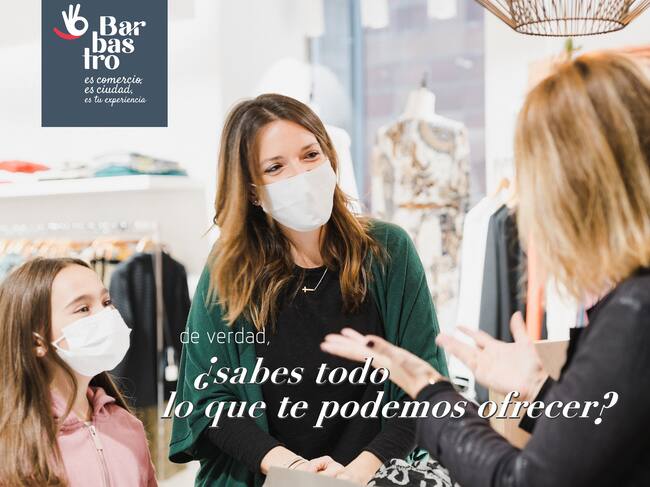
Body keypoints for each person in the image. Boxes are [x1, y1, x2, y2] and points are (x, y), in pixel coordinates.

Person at [321, 51, 650, 486]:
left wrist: (430, 392)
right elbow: (608, 441)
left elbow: (525, 480)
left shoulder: (634, 312)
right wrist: (540, 386)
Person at [169, 93, 448, 487]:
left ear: (330, 158)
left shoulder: (388, 251)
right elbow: (208, 399)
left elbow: (423, 385)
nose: (300, 174)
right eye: (275, 167)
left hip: (376, 477)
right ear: (252, 190)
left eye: (310, 155)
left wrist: (356, 474)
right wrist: (297, 472)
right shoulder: (229, 268)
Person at [0, 257, 157, 487]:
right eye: (83, 308)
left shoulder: (128, 427)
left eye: (106, 302)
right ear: (37, 342)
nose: (105, 315)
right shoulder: (11, 445)